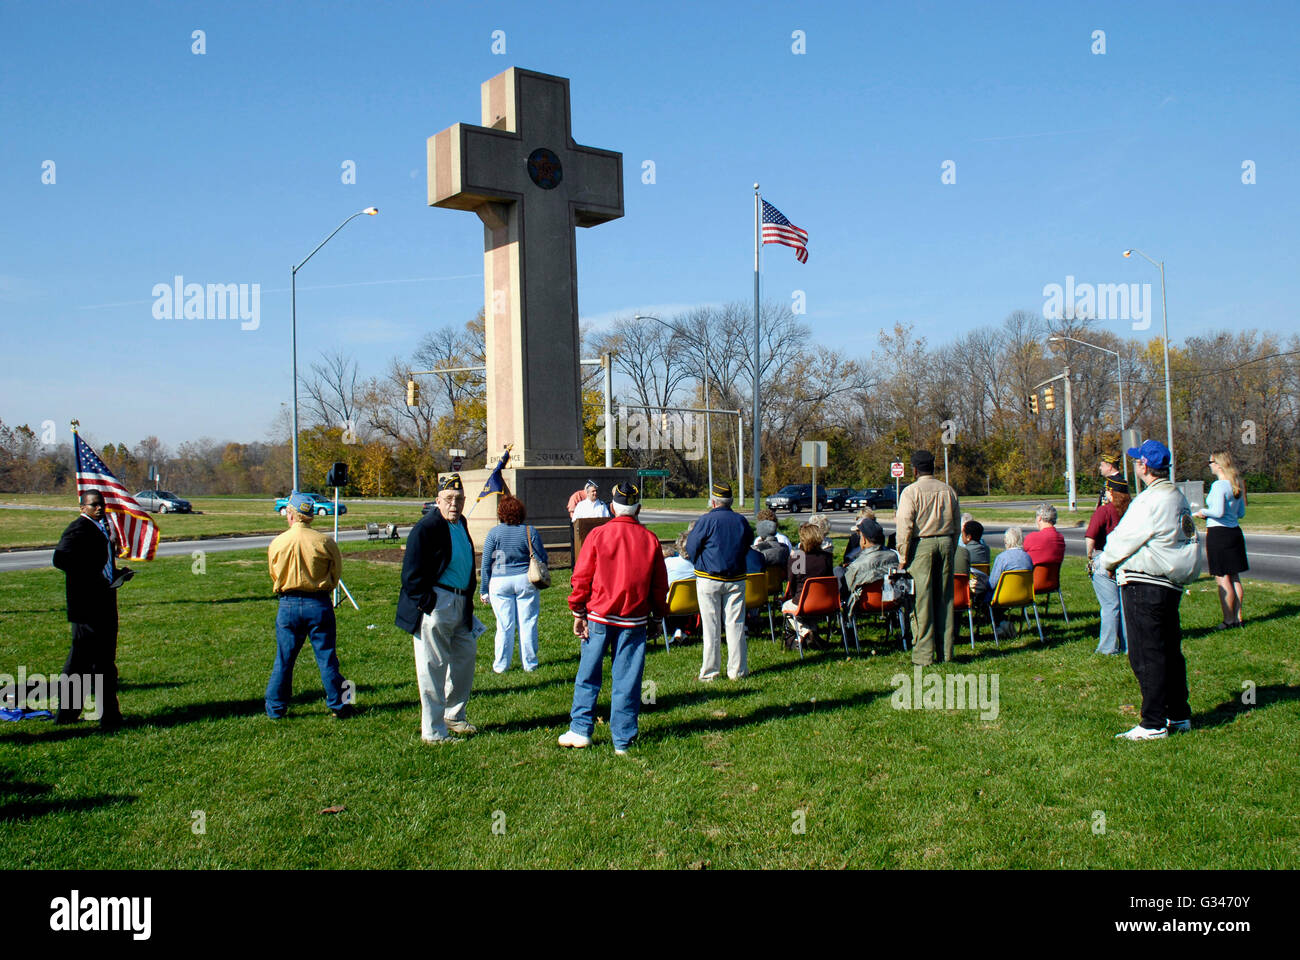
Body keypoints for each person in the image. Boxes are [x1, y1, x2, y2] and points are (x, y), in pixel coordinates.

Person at [1101, 440, 1200, 741]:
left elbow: (1122, 539)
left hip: (1146, 581)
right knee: (1169, 650)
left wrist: (1105, 562)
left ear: (1144, 466)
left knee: (1147, 653)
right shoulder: (1176, 497)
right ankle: (1178, 713)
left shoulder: (1150, 500)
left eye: (1136, 462)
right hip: (1170, 583)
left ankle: (1153, 721)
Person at [560, 481, 668, 754]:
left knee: (588, 673)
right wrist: (658, 616)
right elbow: (659, 585)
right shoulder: (650, 539)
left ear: (611, 507)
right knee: (628, 679)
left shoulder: (598, 535)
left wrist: (578, 610)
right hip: (634, 618)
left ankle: (581, 729)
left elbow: (582, 576)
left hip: (599, 614)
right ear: (638, 508)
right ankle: (623, 738)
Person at [395, 474, 480, 744]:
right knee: (432, 667)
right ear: (437, 501)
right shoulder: (426, 527)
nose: (454, 504)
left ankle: (454, 715)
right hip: (436, 603)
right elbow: (410, 575)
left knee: (464, 660)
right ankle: (433, 732)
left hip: (461, 603)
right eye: (449, 499)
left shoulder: (461, 523)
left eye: (459, 499)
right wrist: (428, 603)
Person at [264, 491, 351, 720]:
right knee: (326, 657)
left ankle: (276, 709)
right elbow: (336, 574)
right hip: (318, 603)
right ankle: (339, 704)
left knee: (284, 659)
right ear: (310, 516)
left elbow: (274, 574)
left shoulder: (277, 542)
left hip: (288, 604)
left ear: (291, 515)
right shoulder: (324, 542)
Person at [51, 491, 129, 730]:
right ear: (82, 507)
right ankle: (68, 714)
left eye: (101, 505)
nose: (99, 508)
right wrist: (91, 579)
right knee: (80, 662)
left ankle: (108, 715)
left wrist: (116, 575)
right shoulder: (78, 528)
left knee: (104, 662)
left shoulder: (101, 528)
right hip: (87, 607)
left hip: (105, 601)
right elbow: (60, 559)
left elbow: (101, 562)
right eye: (94, 505)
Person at [895, 449, 960, 666]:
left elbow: (905, 524)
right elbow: (958, 523)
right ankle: (946, 652)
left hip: (921, 544)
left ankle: (924, 655)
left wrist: (903, 555)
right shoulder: (948, 490)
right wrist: (952, 546)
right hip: (947, 542)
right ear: (933, 466)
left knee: (922, 601)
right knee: (945, 598)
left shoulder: (910, 492)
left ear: (914, 470)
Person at [687, 482, 755, 681]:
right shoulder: (740, 521)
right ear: (731, 501)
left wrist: (699, 562)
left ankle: (710, 672)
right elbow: (748, 543)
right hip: (736, 578)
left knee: (711, 627)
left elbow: (692, 546)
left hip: (709, 578)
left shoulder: (706, 520)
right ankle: (738, 671)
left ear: (714, 502)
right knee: (736, 625)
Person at [479, 494, 547, 673]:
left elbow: (486, 563)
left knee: (504, 626)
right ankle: (530, 664)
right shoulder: (529, 531)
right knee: (528, 623)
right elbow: (542, 558)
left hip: (499, 582)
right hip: (525, 580)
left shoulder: (493, 533)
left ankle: (501, 665)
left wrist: (483, 589)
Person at [1195, 450, 1248, 630]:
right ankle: (1238, 616)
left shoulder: (1218, 486)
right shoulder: (1236, 484)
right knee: (1234, 576)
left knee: (1222, 578)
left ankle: (1228, 620)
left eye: (1210, 462)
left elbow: (1217, 512)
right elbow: (1241, 513)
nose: (1209, 465)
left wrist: (1202, 512)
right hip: (1234, 533)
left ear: (1218, 464)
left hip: (1219, 533)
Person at [1085, 477, 1131, 654]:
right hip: (1126, 561)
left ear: (1110, 492)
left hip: (1105, 560)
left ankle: (1107, 648)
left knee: (1110, 606)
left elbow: (1091, 537)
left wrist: (1090, 556)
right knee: (1124, 606)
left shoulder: (1104, 511)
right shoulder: (1131, 511)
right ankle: (1128, 645)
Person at [781, 522, 836, 648]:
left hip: (802, 600)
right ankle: (813, 635)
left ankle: (805, 631)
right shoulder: (827, 557)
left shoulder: (798, 558)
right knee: (807, 610)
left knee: (785, 607)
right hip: (825, 602)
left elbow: (792, 583)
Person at [987, 526, 1033, 632]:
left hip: (1003, 597)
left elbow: (992, 583)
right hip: (1024, 595)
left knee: (984, 599)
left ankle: (1001, 624)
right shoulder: (1028, 557)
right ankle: (1003, 624)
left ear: (1007, 541)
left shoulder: (1002, 558)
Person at [843, 518, 900, 601]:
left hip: (864, 603)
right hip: (891, 601)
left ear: (865, 540)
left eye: (861, 536)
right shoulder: (895, 557)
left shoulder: (856, 566)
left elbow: (847, 589)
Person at [955, 519, 990, 604]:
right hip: (984, 585)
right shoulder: (986, 550)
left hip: (968, 587)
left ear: (968, 536)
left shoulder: (965, 552)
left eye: (962, 534)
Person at [1023, 503, 1066, 567]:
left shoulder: (1031, 538)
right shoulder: (1060, 539)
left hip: (1033, 575)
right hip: (1053, 576)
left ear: (1039, 518)